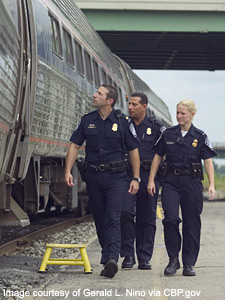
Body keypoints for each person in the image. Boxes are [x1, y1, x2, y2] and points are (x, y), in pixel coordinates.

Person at [64, 85, 140, 278]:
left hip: (117, 177)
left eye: (99, 93)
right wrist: (67, 171)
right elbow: (74, 145)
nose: (94, 95)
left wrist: (136, 178)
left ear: (109, 101)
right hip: (94, 176)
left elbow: (133, 151)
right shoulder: (87, 120)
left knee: (113, 216)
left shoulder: (123, 122)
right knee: (99, 217)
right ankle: (108, 257)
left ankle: (112, 258)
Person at [147, 99, 217, 276]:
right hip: (170, 181)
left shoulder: (200, 136)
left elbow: (208, 161)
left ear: (192, 114)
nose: (179, 116)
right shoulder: (168, 134)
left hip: (192, 183)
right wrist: (150, 180)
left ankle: (188, 263)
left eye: (182, 113)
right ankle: (173, 260)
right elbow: (157, 157)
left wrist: (212, 185)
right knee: (170, 219)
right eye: (177, 112)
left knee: (191, 223)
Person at [120, 92, 165, 270]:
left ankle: (144, 257)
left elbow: (161, 153)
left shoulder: (156, 127)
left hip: (148, 176)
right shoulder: (123, 124)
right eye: (129, 104)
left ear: (144, 107)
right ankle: (128, 255)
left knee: (147, 217)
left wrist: (152, 179)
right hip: (126, 175)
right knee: (125, 212)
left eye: (134, 104)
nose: (130, 107)